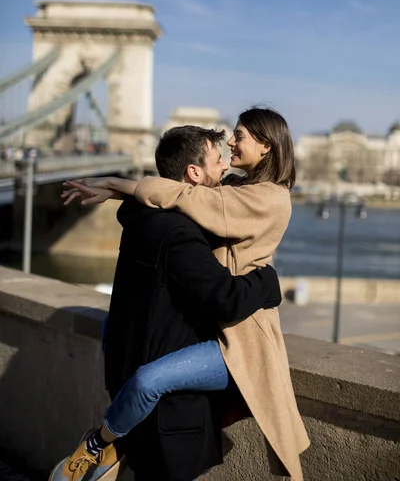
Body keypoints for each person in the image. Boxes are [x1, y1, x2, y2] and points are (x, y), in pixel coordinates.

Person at [61, 107, 310, 481]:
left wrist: (117, 184)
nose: (231, 143)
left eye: (240, 136)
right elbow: (181, 193)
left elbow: (190, 197)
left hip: (240, 338)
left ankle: (102, 443)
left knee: (149, 381)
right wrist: (116, 189)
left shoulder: (271, 198)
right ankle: (119, 443)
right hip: (217, 322)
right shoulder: (239, 189)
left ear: (266, 146)